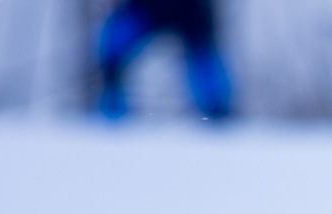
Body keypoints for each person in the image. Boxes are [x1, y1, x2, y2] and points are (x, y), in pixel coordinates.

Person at [95, 0, 233, 122]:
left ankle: (217, 111)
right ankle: (111, 108)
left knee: (205, 58)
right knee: (113, 46)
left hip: (189, 9)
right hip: (146, 8)